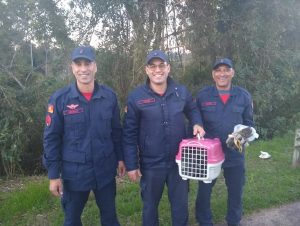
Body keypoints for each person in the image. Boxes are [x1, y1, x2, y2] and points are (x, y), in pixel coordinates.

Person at [43, 46, 126, 226]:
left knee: (110, 218)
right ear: (72, 68)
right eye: (78, 64)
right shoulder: (60, 99)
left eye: (87, 63)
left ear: (95, 66)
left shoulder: (109, 97)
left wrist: (120, 158)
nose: (83, 69)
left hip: (104, 170)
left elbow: (116, 132)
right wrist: (53, 175)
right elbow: (51, 138)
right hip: (74, 174)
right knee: (72, 220)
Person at [123, 50, 205, 226]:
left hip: (180, 162)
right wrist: (131, 164)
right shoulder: (136, 97)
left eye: (161, 65)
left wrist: (197, 122)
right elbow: (128, 133)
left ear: (168, 68)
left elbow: (193, 109)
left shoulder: (180, 91)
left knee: (180, 206)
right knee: (150, 207)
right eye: (152, 66)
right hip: (151, 164)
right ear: (146, 70)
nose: (157, 70)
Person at [195, 58, 255, 226]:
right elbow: (195, 120)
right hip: (208, 155)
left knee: (236, 191)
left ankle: (234, 221)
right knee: (204, 191)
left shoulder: (244, 96)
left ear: (232, 73)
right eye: (218, 70)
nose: (222, 73)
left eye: (226, 70)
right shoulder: (202, 95)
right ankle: (204, 221)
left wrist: (242, 138)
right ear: (213, 74)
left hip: (234, 153)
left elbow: (249, 124)